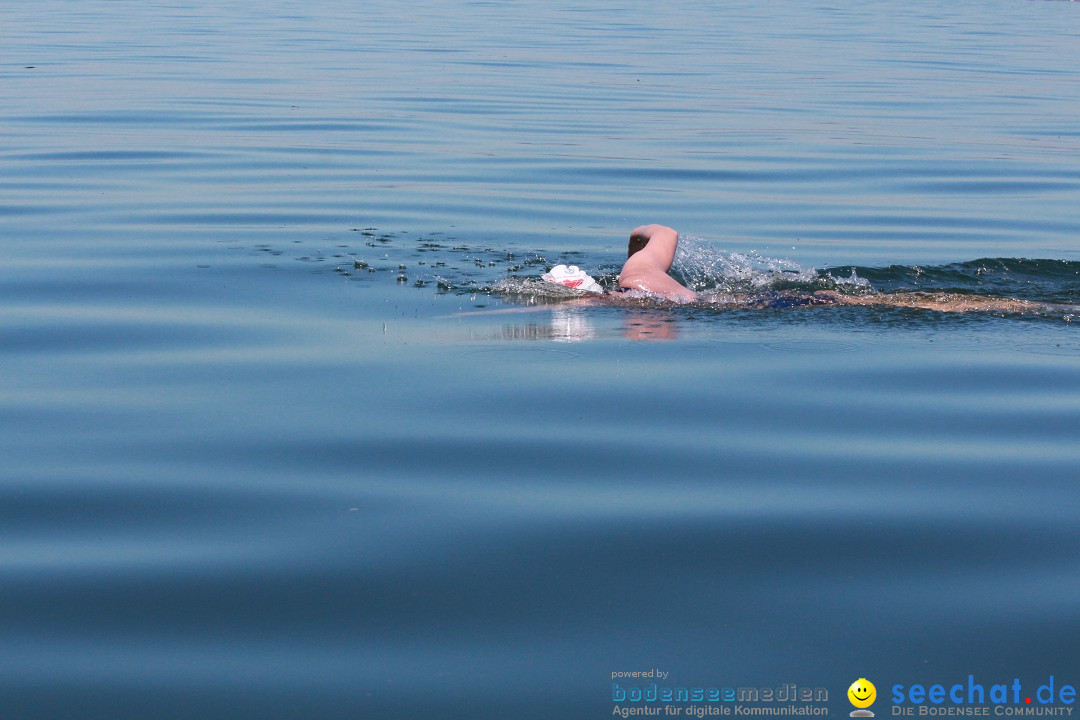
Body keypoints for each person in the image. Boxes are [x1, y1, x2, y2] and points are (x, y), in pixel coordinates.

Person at [542, 224, 1043, 314]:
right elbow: (661, 231)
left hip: (761, 308)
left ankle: (1022, 307)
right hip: (761, 302)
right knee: (882, 301)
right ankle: (1018, 305)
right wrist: (630, 246)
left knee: (879, 303)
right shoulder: (641, 276)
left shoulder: (640, 305)